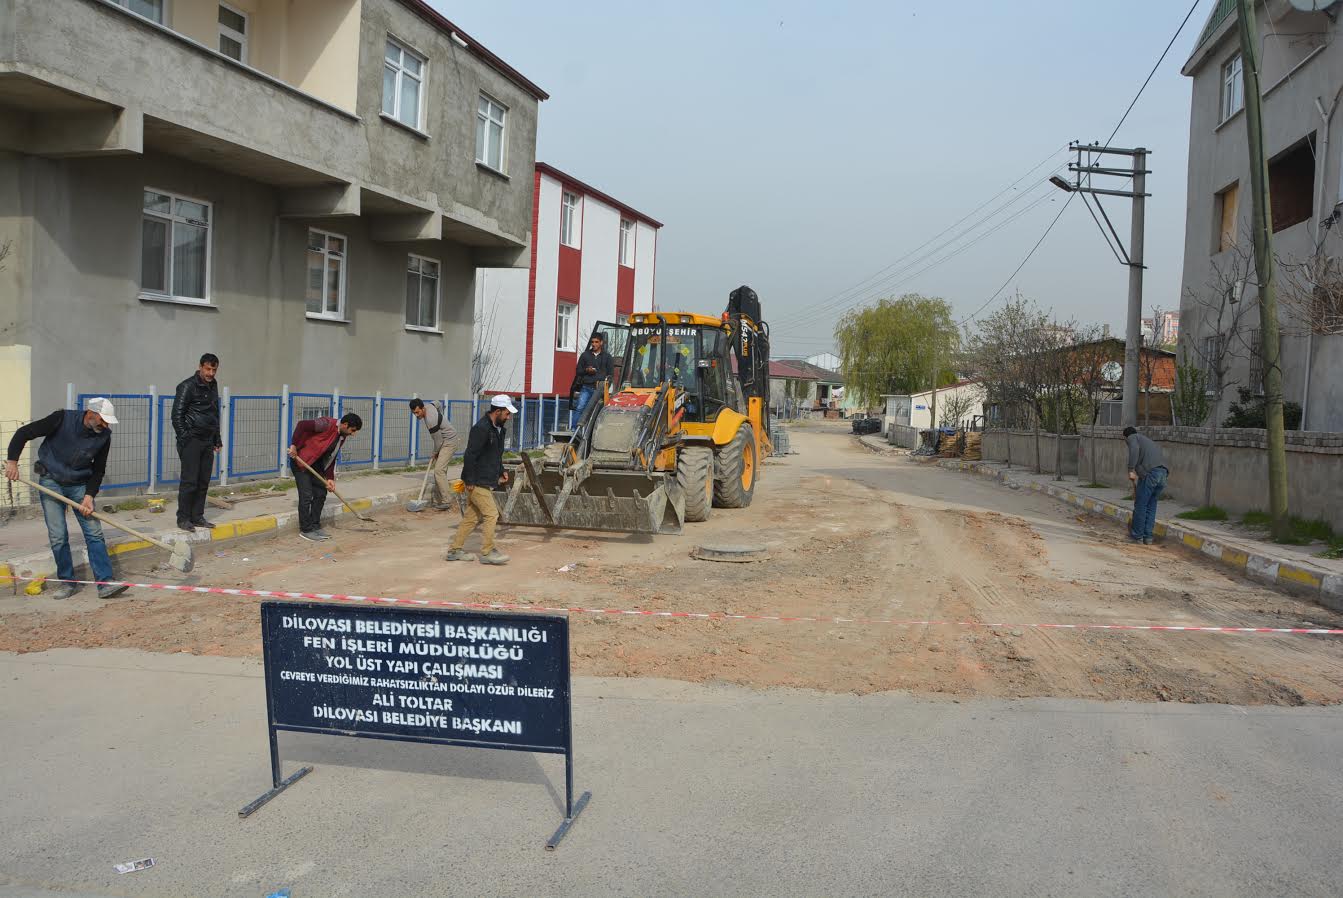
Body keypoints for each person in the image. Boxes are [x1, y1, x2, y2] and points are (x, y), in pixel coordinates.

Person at [5, 398, 127, 600]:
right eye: (102, 421)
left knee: (94, 532)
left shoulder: (104, 436)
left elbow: (98, 469)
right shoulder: (61, 419)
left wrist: (89, 496)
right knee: (58, 535)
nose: (105, 426)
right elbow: (24, 433)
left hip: (80, 485)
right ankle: (67, 583)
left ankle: (105, 583)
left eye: (107, 423)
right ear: (90, 413)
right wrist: (12, 461)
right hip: (51, 480)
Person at [445, 395, 516, 565]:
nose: (509, 417)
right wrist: (469, 479)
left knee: (471, 517)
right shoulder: (481, 428)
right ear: (497, 411)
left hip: (485, 479)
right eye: (506, 414)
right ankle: (487, 552)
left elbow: (495, 455)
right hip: (476, 481)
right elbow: (470, 455)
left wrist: (502, 471)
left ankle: (454, 550)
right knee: (492, 514)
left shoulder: (498, 429)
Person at [287, 412, 362, 542]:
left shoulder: (341, 437)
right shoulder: (326, 424)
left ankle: (315, 526)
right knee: (306, 495)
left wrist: (330, 478)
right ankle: (306, 529)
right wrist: (294, 445)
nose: (353, 433)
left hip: (316, 465)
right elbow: (302, 425)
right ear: (345, 425)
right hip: (301, 462)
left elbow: (331, 458)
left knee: (321, 493)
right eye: (353, 430)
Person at [171, 352, 221, 532]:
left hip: (208, 440)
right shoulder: (186, 386)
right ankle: (183, 518)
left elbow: (214, 413)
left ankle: (197, 516)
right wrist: (185, 437)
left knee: (203, 481)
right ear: (200, 367)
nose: (211, 373)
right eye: (208, 369)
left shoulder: (213, 385)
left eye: (214, 370)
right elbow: (177, 415)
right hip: (191, 440)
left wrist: (217, 438)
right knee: (189, 481)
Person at [409, 398, 459, 510]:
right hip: (444, 440)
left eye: (417, 412)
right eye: (414, 413)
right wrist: (441, 416)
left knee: (438, 470)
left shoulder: (431, 421)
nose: (416, 415)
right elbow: (438, 403)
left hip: (449, 441)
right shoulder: (430, 405)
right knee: (440, 470)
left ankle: (446, 501)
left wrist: (435, 453)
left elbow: (438, 441)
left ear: (422, 408)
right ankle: (439, 500)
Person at [1125, 426, 1168, 545]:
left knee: (1141, 505)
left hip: (1151, 473)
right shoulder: (1147, 441)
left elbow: (1134, 450)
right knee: (1151, 505)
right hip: (1163, 473)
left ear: (1126, 437)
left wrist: (1130, 469)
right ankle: (1148, 537)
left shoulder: (1133, 437)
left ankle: (1137, 536)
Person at [570, 333, 613, 426]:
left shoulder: (607, 357)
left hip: (600, 390)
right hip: (586, 387)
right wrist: (587, 370)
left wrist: (606, 387)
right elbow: (578, 371)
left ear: (601, 343)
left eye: (596, 342)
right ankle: (574, 430)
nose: (594, 344)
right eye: (592, 342)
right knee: (580, 407)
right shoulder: (585, 355)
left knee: (598, 412)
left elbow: (610, 375)